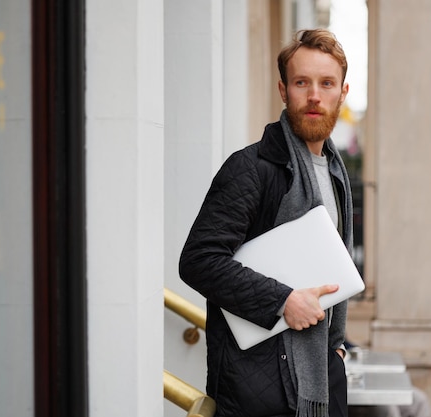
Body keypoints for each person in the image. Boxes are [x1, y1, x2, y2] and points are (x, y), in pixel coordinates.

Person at [179, 28, 353, 417]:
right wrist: (283, 301)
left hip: (320, 378)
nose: (314, 96)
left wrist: (337, 349)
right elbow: (199, 260)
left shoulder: (337, 175)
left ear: (342, 92)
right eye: (301, 82)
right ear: (283, 90)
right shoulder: (250, 168)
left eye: (326, 83)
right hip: (255, 390)